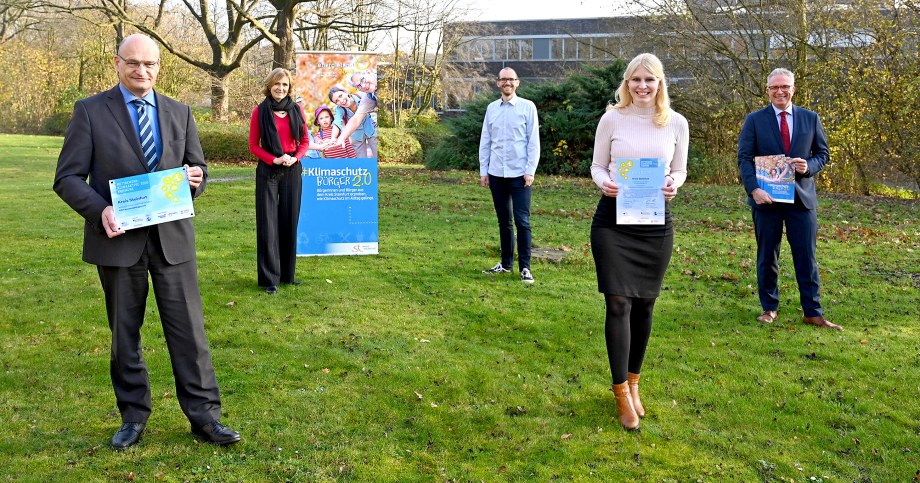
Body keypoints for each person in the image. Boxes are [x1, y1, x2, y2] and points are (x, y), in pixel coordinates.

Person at [52, 33, 241, 449]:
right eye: (133, 63)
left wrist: (195, 180)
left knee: (190, 332)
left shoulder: (180, 111)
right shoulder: (89, 112)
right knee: (125, 334)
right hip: (119, 241)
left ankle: (205, 418)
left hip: (173, 241)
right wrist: (100, 209)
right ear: (117, 64)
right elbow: (66, 178)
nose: (142, 71)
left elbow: (198, 170)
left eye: (150, 64)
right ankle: (133, 416)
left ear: (159, 67)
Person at [590, 53, 688, 430]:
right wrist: (604, 183)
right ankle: (620, 395)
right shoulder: (612, 118)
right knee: (618, 303)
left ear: (660, 83)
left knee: (645, 304)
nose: (642, 86)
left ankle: (634, 384)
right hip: (613, 223)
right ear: (626, 83)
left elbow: (679, 170)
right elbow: (598, 166)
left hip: (654, 222)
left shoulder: (676, 123)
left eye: (650, 80)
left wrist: (673, 184)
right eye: (635, 80)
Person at [737, 68, 840, 330]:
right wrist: (754, 190)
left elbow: (823, 154)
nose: (780, 91)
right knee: (767, 256)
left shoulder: (810, 118)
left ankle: (812, 312)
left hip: (801, 199)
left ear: (793, 89)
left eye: (785, 87)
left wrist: (809, 166)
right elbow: (744, 158)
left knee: (806, 256)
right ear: (768, 90)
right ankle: (769, 308)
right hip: (766, 199)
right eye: (774, 87)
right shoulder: (754, 120)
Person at [250, 68, 328, 294]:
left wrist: (295, 158)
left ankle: (287, 275)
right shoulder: (260, 111)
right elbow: (253, 145)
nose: (280, 88)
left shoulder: (297, 109)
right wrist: (274, 159)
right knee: (268, 223)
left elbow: (304, 140)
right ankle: (269, 279)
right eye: (277, 84)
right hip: (268, 170)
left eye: (284, 85)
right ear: (269, 86)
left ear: (289, 87)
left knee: (288, 221)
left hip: (292, 169)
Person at [478, 67, 540, 283]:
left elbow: (533, 142)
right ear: (498, 83)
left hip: (520, 175)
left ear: (517, 83)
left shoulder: (527, 107)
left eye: (511, 80)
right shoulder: (491, 109)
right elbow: (485, 142)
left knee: (522, 221)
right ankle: (505, 265)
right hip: (496, 174)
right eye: (503, 80)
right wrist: (483, 171)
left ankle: (525, 268)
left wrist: (530, 170)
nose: (507, 83)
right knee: (504, 220)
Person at [332, 72, 378, 153]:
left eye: (362, 80)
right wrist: (338, 138)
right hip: (357, 136)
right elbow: (340, 122)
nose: (363, 86)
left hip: (370, 129)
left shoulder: (362, 95)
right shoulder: (368, 97)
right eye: (359, 86)